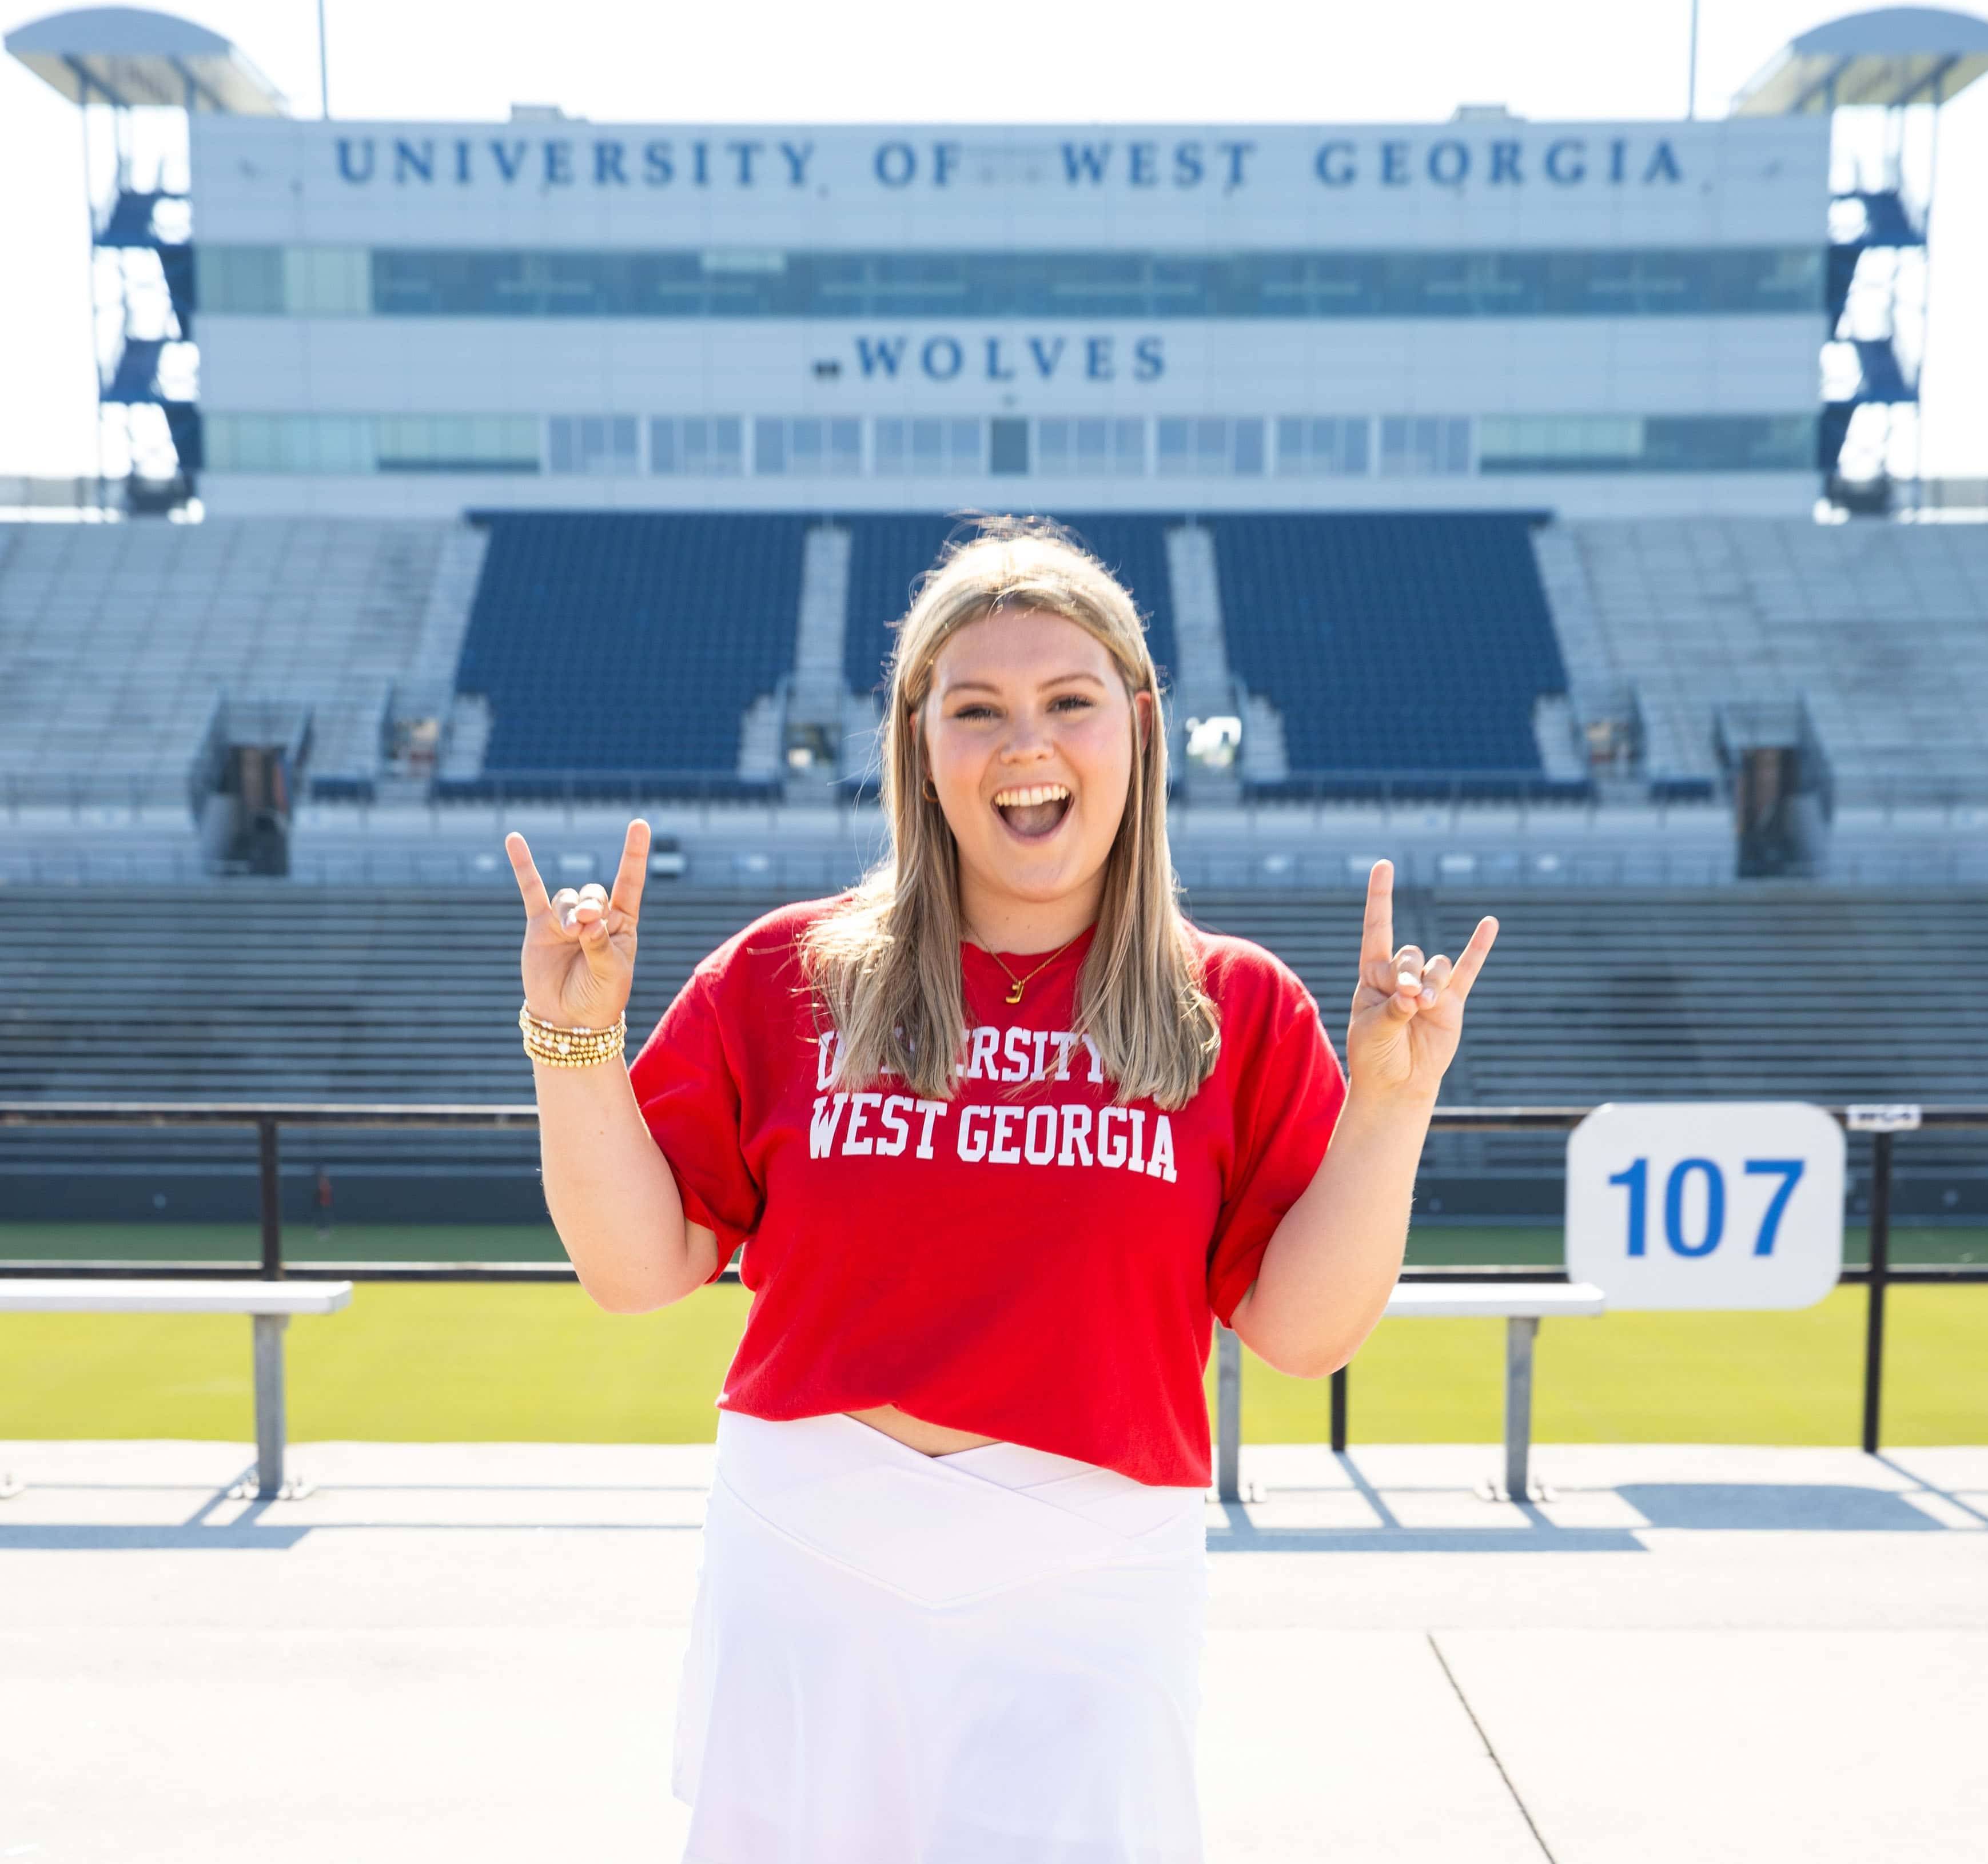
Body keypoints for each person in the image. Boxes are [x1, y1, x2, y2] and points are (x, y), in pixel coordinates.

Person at [503, 517, 1497, 1864]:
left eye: (1066, 702)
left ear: (1137, 726)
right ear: (920, 742)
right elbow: (634, 1269)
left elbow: (1303, 1331)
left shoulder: (1230, 1006)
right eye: (976, 709)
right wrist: (575, 1043)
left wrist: (1390, 1102)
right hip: (811, 1549)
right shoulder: (790, 973)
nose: (1024, 742)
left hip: (1092, 1573)